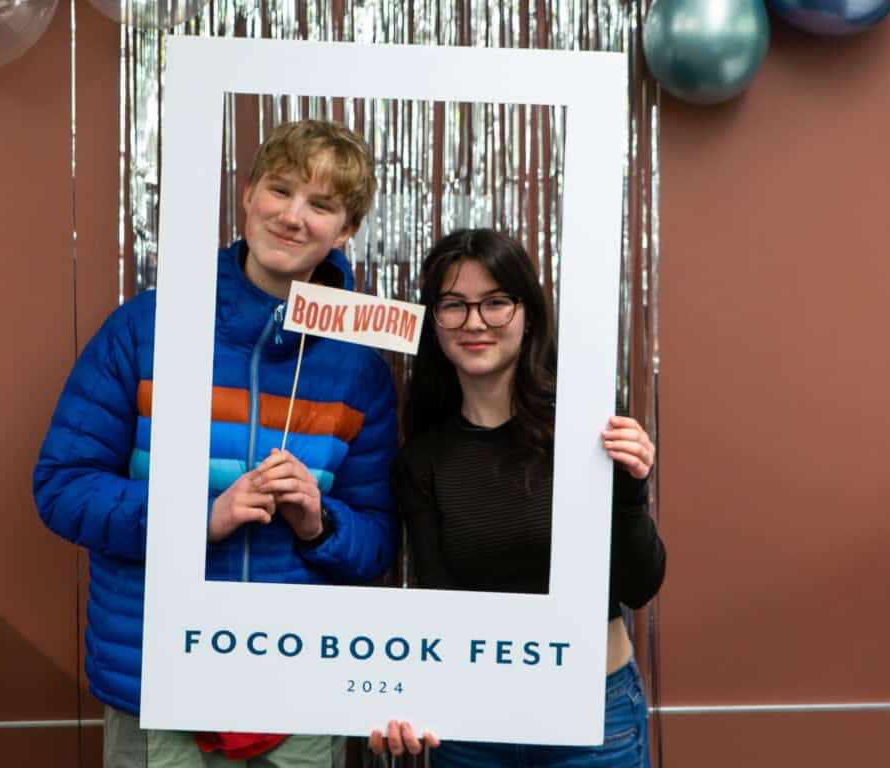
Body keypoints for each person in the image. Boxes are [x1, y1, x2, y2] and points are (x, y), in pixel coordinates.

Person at [34, 119, 400, 768]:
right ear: (248, 196)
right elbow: (63, 487)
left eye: (321, 205)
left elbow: (377, 540)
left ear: (345, 231)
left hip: (297, 688)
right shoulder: (145, 329)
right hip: (155, 676)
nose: (293, 216)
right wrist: (198, 519)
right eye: (280, 190)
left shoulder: (361, 368)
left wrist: (319, 523)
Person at [368, 228, 665, 767]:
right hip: (471, 722)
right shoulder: (422, 460)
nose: (475, 322)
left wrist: (630, 492)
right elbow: (439, 611)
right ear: (432, 321)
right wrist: (399, 699)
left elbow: (638, 585)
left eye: (495, 303)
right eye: (453, 305)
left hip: (593, 715)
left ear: (528, 311)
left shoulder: (587, 425)